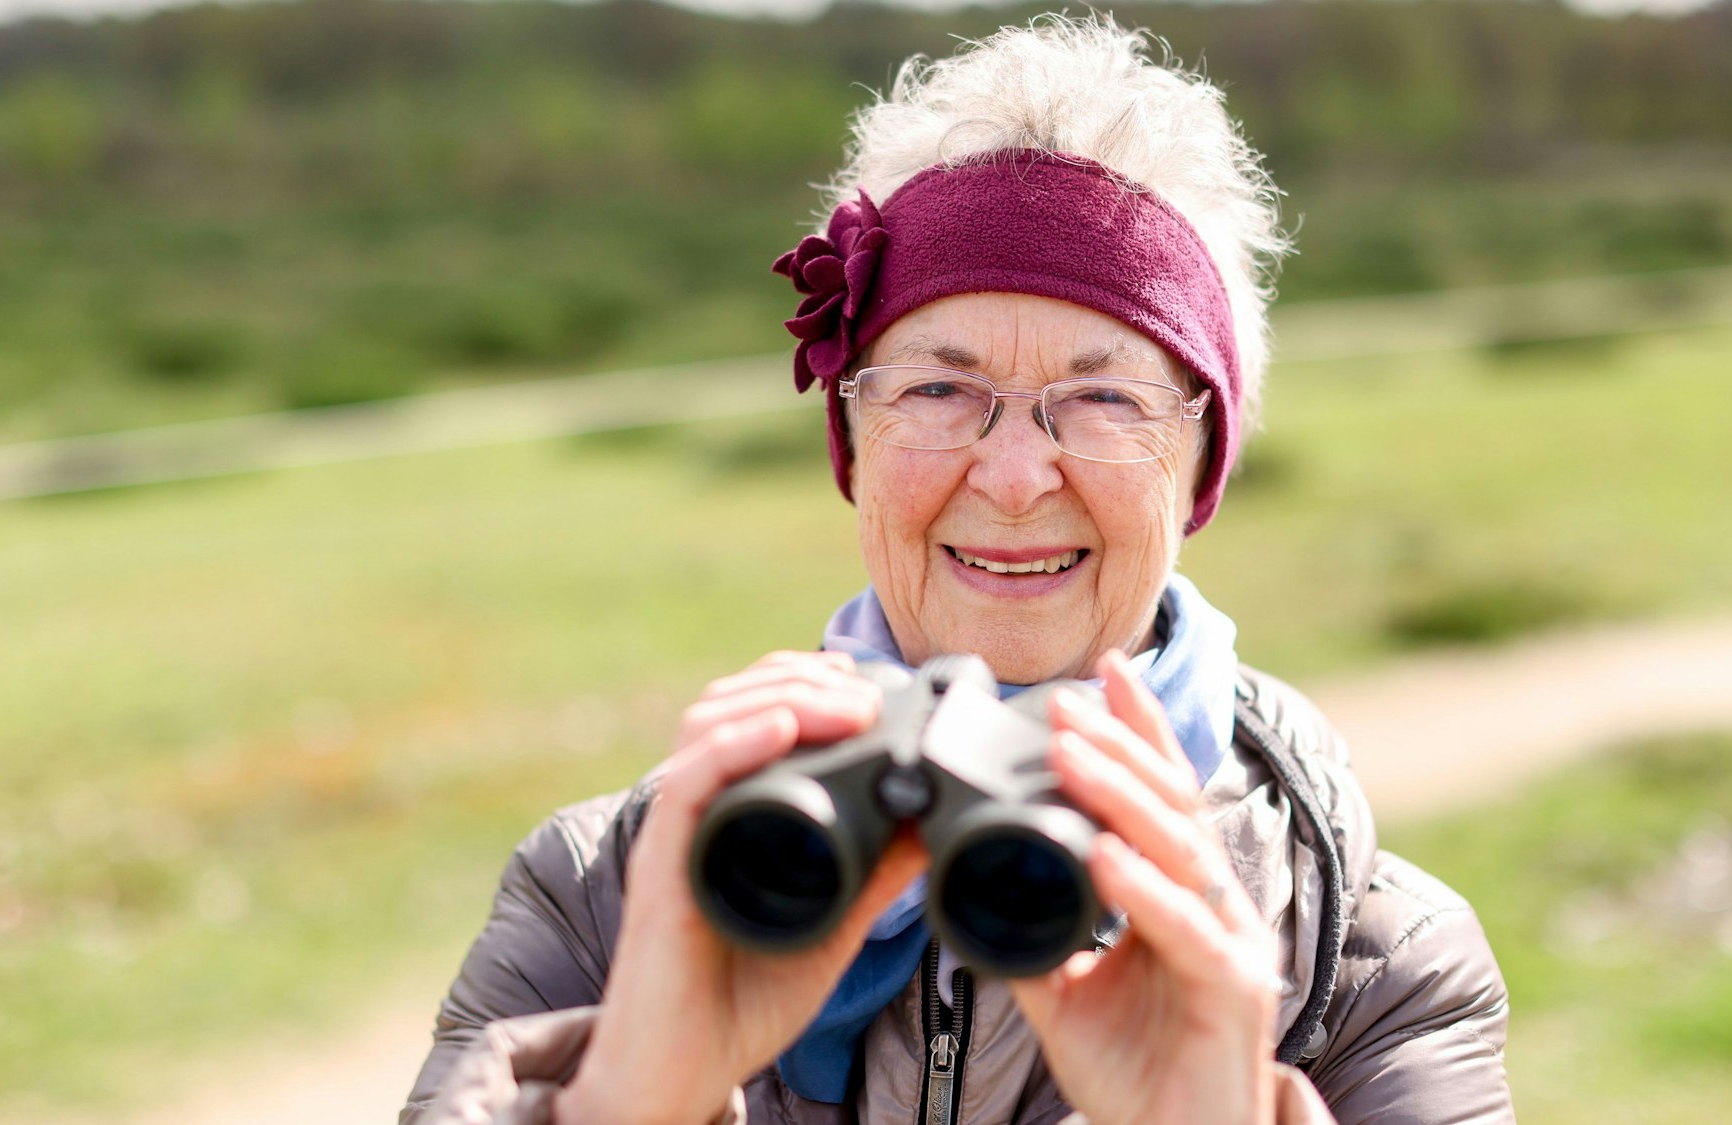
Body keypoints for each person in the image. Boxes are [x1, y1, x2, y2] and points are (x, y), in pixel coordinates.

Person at [402, 16, 1512, 1125]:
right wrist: (626, 1101)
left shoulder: (1368, 962)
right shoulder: (608, 895)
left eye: (1104, 398)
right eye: (938, 389)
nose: (1016, 478)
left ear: (1199, 464)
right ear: (854, 440)